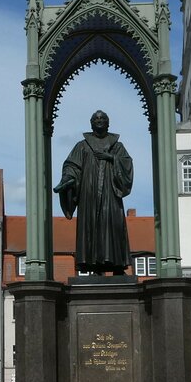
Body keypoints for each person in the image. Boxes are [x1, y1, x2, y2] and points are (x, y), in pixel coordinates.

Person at [54, 109, 133, 274]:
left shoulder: (117, 146)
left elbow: (127, 165)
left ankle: (117, 266)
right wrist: (67, 178)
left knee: (113, 225)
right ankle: (95, 266)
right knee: (92, 227)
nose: (99, 120)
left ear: (108, 123)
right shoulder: (82, 146)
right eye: (96, 118)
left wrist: (111, 158)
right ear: (91, 123)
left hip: (111, 194)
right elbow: (71, 165)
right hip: (88, 195)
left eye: (102, 118)